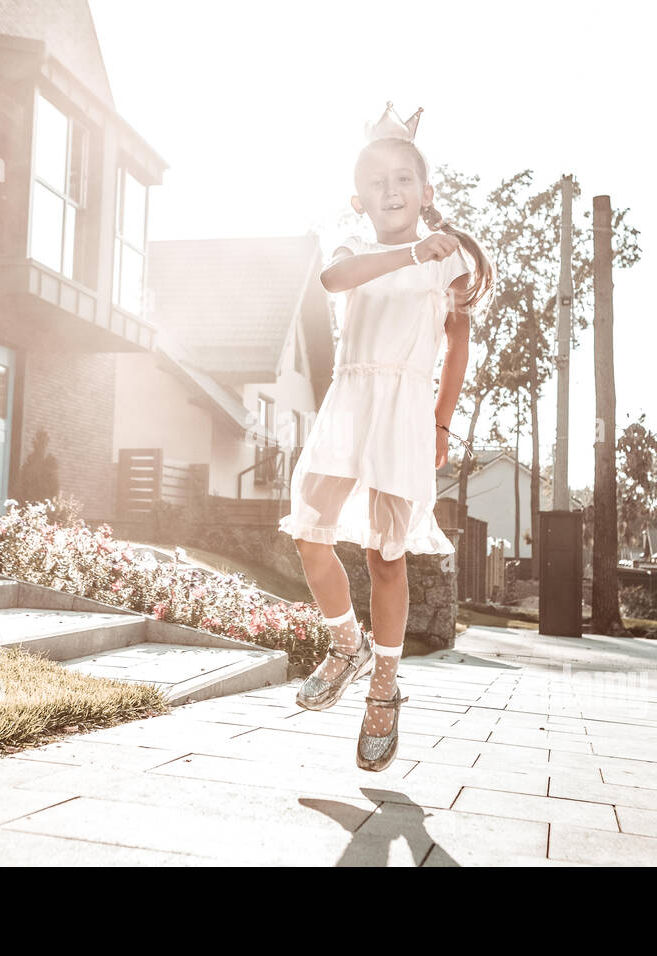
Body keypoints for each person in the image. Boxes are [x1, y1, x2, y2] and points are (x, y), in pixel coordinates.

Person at [277, 101, 494, 771]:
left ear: (427, 192)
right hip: (349, 399)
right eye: (377, 183)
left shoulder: (448, 256)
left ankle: (385, 688)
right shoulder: (355, 247)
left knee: (387, 558)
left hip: (403, 409)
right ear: (359, 197)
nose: (391, 191)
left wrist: (440, 422)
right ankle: (347, 645)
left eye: (404, 179)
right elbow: (334, 279)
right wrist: (404, 251)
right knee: (311, 535)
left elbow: (459, 343)